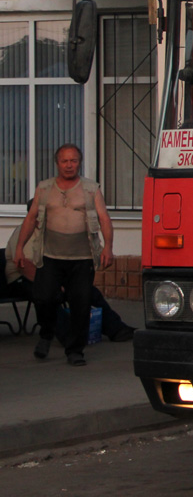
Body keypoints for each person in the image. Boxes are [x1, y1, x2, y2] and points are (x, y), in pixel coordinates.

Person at [13, 144, 114, 365]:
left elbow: (104, 218)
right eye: (64, 161)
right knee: (44, 297)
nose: (69, 165)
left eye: (74, 161)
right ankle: (46, 334)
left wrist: (108, 247)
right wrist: (20, 247)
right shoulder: (44, 188)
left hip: (82, 258)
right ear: (57, 163)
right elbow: (31, 219)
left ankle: (75, 350)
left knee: (80, 303)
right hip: (50, 256)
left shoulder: (90, 189)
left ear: (79, 162)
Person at [4, 219, 135, 342]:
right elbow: (23, 266)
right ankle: (69, 337)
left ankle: (117, 329)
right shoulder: (24, 232)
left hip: (50, 276)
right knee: (46, 296)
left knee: (88, 291)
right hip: (22, 279)